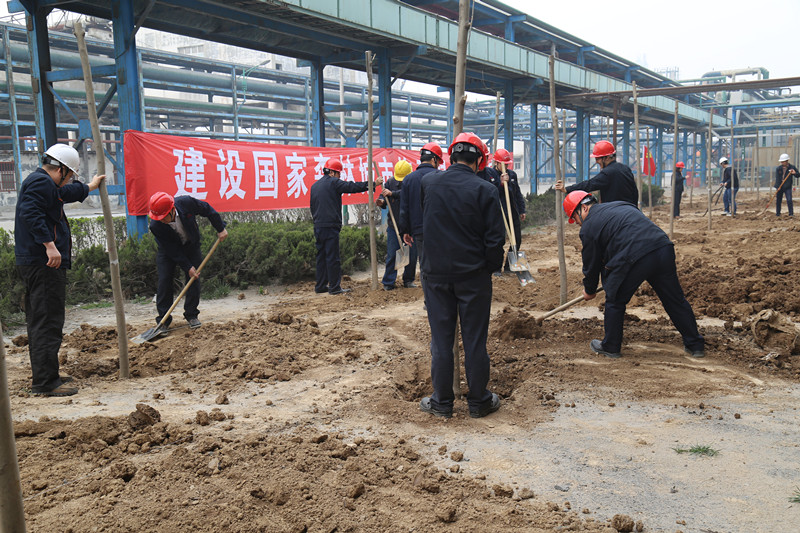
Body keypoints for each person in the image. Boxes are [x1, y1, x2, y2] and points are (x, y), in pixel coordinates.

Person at [418, 132, 505, 419]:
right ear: (480, 160)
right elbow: (495, 240)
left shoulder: (429, 184)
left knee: (441, 341)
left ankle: (442, 403)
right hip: (473, 276)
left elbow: (424, 225)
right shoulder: (486, 190)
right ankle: (479, 402)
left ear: (451, 156)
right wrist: (489, 268)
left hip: (436, 275)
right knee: (474, 340)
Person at [562, 190, 705, 359]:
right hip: (662, 247)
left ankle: (611, 346)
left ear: (584, 208)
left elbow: (591, 262)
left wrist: (589, 289)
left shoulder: (588, 227)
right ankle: (695, 345)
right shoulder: (620, 204)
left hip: (636, 255)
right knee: (674, 299)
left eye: (575, 218)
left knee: (615, 300)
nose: (577, 223)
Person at [15, 143, 105, 397]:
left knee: (43, 320)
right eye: (69, 176)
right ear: (61, 170)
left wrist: (89, 187)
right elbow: (30, 213)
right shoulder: (40, 183)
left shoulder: (45, 184)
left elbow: (65, 193)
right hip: (43, 264)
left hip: (38, 263)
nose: (68, 181)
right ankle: (45, 382)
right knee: (47, 322)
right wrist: (50, 245)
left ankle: (48, 374)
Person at [149, 192, 228, 334]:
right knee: (164, 280)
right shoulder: (156, 225)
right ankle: (163, 321)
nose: (162, 220)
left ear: (172, 210)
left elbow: (207, 209)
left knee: (193, 279)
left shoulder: (186, 203)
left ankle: (191, 315)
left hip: (191, 246)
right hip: (169, 251)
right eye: (159, 218)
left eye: (164, 217)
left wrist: (220, 228)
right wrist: (187, 266)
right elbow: (172, 250)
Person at [310, 157, 370, 294]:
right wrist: (371, 184)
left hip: (318, 225)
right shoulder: (334, 182)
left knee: (321, 257)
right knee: (333, 258)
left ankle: (320, 286)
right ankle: (334, 287)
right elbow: (352, 187)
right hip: (331, 226)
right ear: (332, 172)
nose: (339, 177)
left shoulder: (315, 186)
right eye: (338, 174)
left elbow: (313, 206)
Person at [398, 142, 442, 275]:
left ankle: (427, 286)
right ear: (434, 159)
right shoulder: (441, 177)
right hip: (439, 229)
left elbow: (404, 208)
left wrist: (405, 231)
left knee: (424, 263)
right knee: (439, 262)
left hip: (418, 230)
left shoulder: (409, 179)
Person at [555, 140, 638, 205]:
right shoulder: (625, 169)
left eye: (597, 158)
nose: (596, 161)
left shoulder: (607, 173)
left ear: (607, 158)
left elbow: (589, 184)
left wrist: (567, 189)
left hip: (615, 214)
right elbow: (635, 191)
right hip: (630, 211)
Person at [377, 160, 418, 290]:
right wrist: (382, 201)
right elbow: (384, 195)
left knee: (412, 255)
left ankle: (408, 280)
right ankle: (388, 282)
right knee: (392, 254)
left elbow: (406, 194)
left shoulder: (414, 183)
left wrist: (392, 193)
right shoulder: (390, 182)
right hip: (394, 224)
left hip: (411, 226)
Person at [493, 148, 526, 272]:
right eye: (503, 164)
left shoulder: (512, 175)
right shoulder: (490, 174)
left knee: (516, 239)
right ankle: (496, 268)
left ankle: (509, 266)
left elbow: (517, 194)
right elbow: (491, 192)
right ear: (496, 163)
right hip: (499, 214)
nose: (505, 167)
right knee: (498, 242)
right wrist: (501, 184)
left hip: (512, 212)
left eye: (507, 164)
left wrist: (522, 210)